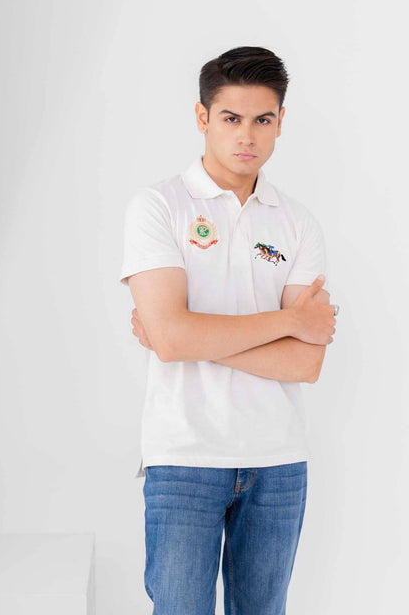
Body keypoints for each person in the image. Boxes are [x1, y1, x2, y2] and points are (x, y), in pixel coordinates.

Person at [119, 46, 338, 615]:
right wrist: (289, 323)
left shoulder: (297, 222)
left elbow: (304, 363)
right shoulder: (158, 206)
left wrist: (185, 337)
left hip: (278, 461)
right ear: (202, 117)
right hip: (184, 456)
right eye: (231, 118)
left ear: (281, 122)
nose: (247, 135)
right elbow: (173, 339)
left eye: (262, 119)